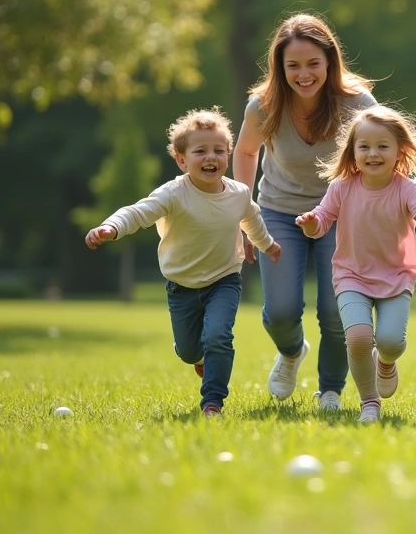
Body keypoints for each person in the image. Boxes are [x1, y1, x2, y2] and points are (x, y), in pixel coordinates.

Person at [85, 107, 282, 418]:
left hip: (224, 280)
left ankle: (212, 403)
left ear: (228, 155)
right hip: (182, 286)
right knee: (190, 350)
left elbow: (252, 221)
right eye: (200, 151)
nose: (210, 157)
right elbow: (138, 212)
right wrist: (112, 227)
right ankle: (199, 357)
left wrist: (268, 245)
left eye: (219, 150)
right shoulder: (173, 193)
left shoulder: (239, 194)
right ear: (181, 159)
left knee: (218, 336)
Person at [233, 13, 378, 411]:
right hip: (278, 212)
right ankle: (292, 351)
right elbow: (246, 151)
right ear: (279, 67)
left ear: (330, 61)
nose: (304, 74)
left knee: (335, 311)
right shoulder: (263, 106)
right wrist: (244, 217)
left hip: (340, 214)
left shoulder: (357, 104)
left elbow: (385, 151)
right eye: (292, 65)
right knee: (280, 311)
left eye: (313, 63)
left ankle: (329, 389)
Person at [295, 106, 416, 423]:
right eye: (365, 147)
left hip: (396, 277)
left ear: (399, 150)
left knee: (389, 341)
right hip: (351, 276)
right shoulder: (342, 187)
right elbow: (321, 220)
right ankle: (369, 403)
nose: (373, 154)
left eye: (382, 146)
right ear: (353, 151)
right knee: (359, 338)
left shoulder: (407, 189)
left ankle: (385, 362)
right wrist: (311, 224)